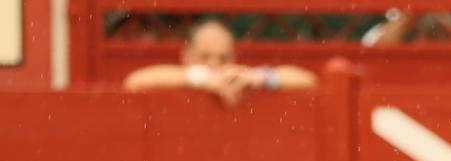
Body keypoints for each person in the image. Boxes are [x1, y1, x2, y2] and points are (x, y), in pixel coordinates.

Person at [121, 18, 316, 107]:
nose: (214, 64)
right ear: (186, 57)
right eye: (205, 57)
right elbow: (134, 82)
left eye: (223, 58)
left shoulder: (243, 79)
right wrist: (199, 79)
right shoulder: (181, 78)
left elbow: (309, 82)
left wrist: (259, 77)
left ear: (233, 59)